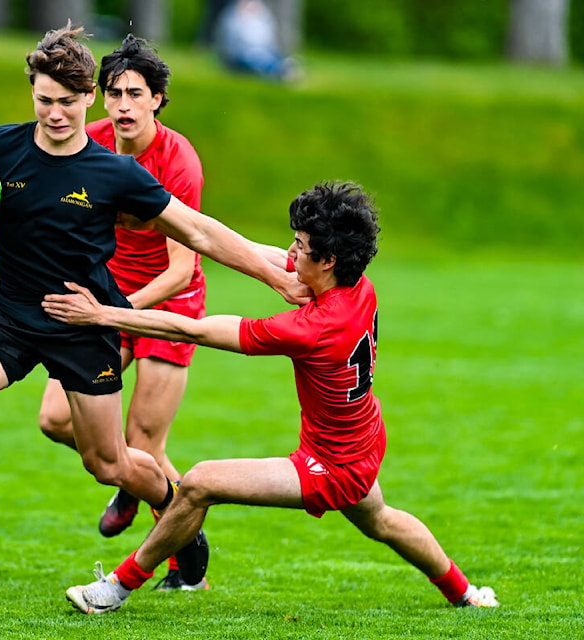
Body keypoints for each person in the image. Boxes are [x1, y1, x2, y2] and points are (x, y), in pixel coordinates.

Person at [0, 22, 310, 602]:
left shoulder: (116, 173)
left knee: (107, 463)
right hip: (6, 317)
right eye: (43, 101)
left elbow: (201, 234)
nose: (54, 114)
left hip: (83, 323)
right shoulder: (0, 145)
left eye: (66, 102)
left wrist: (276, 276)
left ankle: (177, 512)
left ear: (87, 98)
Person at [44, 181, 500, 613]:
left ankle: (116, 588)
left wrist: (103, 314)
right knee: (382, 520)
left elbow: (193, 329)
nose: (290, 252)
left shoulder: (312, 328)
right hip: (363, 440)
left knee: (200, 482)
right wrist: (188, 227)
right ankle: (465, 594)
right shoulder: (358, 286)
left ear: (328, 261)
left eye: (299, 246)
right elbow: (262, 256)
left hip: (330, 466)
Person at [41, 34, 208, 591]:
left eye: (136, 94)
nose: (123, 106)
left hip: (168, 299)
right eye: (114, 93)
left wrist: (111, 314)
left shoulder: (178, 160)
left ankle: (186, 566)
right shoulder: (87, 141)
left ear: (158, 99)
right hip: (107, 291)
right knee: (55, 420)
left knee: (144, 440)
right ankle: (135, 479)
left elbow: (182, 270)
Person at [214, 0, 300, 82]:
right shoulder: (232, 18)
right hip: (242, 54)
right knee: (256, 57)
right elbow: (230, 45)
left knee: (272, 54)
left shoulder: (263, 17)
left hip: (263, 49)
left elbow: (268, 38)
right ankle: (279, 70)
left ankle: (285, 66)